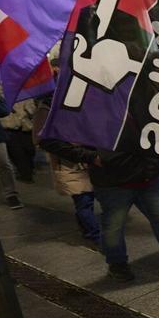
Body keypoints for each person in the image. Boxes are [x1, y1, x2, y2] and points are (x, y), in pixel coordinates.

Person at [88, 148, 159, 281]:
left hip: (147, 178)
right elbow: (65, 142)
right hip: (113, 183)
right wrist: (92, 156)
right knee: (114, 227)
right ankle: (117, 264)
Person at [33, 83, 100, 247]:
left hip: (92, 159)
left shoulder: (85, 99)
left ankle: (87, 229)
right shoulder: (48, 106)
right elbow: (43, 140)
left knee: (88, 199)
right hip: (71, 162)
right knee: (83, 200)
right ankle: (96, 236)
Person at [0, 97, 39, 183]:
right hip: (8, 127)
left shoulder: (23, 93)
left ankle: (28, 169)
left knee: (30, 150)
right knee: (17, 153)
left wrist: (29, 109)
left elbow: (32, 110)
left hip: (26, 126)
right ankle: (25, 174)